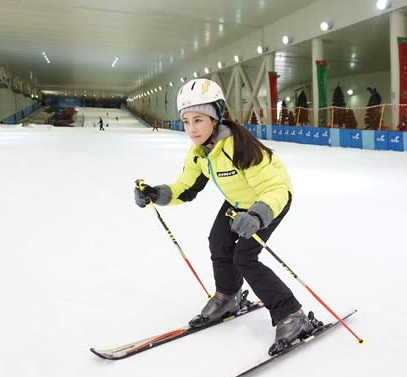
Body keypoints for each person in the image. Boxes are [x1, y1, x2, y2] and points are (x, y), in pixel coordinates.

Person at [134, 78, 314, 352]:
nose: (192, 129)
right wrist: (156, 194)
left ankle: (292, 313)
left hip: (268, 203)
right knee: (218, 242)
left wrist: (257, 215)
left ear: (216, 117)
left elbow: (276, 187)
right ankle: (227, 296)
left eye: (199, 120)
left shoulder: (239, 146)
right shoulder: (199, 153)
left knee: (244, 256)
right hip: (237, 202)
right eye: (186, 121)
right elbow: (186, 187)